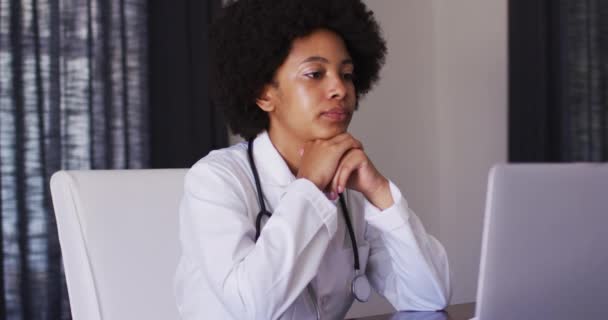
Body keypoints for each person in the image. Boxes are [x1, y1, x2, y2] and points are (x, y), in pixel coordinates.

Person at [174, 0, 451, 319]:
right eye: (315, 73)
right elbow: (252, 308)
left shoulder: (350, 188)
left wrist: (381, 193)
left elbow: (430, 296)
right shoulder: (215, 180)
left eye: (346, 75)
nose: (340, 89)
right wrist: (308, 189)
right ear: (264, 94)